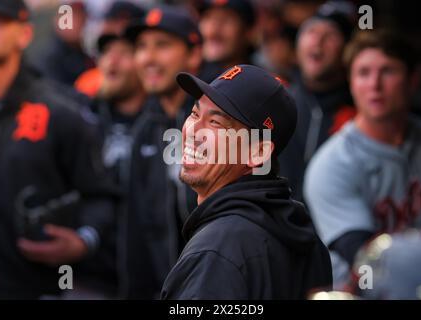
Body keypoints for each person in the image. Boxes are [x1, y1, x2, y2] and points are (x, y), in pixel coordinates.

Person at [161, 64, 332, 299]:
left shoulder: (216, 251)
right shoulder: (306, 238)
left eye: (216, 123)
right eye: (194, 113)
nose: (193, 131)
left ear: (258, 153)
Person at [0, 0, 116, 299]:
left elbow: (103, 195)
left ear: (23, 34)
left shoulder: (61, 112)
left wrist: (84, 240)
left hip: (39, 287)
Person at [304, 30, 421, 286]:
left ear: (413, 79)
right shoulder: (332, 164)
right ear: (351, 82)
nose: (374, 85)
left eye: (388, 71)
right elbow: (366, 258)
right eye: (363, 73)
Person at [115, 5, 205, 298]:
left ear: (193, 54)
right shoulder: (144, 130)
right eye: (141, 47)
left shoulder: (223, 122)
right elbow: (136, 235)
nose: (149, 58)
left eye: (162, 45)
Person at [75, 29, 146, 298]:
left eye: (123, 54)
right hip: (88, 277)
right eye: (106, 53)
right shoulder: (83, 117)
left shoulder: (167, 124)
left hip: (151, 280)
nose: (111, 62)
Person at [279, 3, 355, 200]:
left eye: (330, 35)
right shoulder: (276, 101)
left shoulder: (361, 113)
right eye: (311, 31)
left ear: (347, 52)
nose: (318, 41)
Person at [197, 0, 256, 73]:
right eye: (208, 17)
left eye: (226, 19)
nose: (215, 28)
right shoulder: (185, 77)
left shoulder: (263, 81)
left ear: (248, 32)